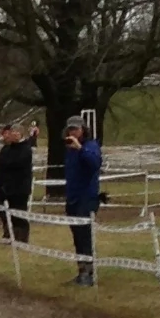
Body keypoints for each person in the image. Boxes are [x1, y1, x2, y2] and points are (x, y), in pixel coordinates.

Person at [62, 120, 103, 281]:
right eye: (70, 129)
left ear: (83, 130)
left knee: (85, 235)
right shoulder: (69, 150)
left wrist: (80, 149)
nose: (72, 132)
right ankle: (81, 270)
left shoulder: (91, 146)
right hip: (72, 197)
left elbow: (95, 164)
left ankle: (90, 272)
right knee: (77, 236)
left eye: (75, 129)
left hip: (87, 197)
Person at [0, 122, 34, 242]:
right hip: (4, 187)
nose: (14, 134)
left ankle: (22, 238)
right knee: (5, 212)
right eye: (12, 132)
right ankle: (8, 234)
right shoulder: (6, 149)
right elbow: (0, 165)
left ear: (21, 134)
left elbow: (17, 164)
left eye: (17, 132)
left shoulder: (26, 148)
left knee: (19, 213)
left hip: (19, 188)